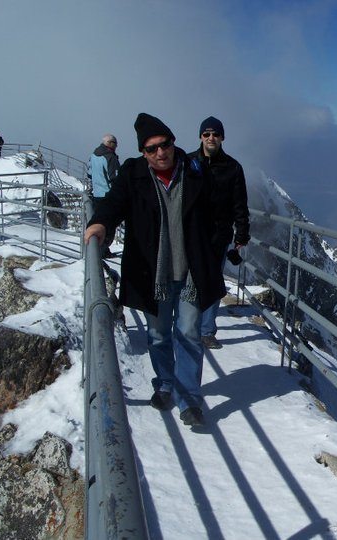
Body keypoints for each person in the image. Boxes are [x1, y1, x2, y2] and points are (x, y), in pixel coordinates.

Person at [84, 113, 227, 427]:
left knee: (188, 333)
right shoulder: (133, 174)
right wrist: (99, 223)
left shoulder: (195, 172)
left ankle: (189, 398)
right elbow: (114, 202)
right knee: (159, 335)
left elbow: (219, 215)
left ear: (174, 143)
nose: (160, 152)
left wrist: (212, 250)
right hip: (153, 274)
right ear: (143, 153)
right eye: (151, 149)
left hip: (191, 274)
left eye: (165, 144)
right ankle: (164, 383)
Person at [188, 115, 250, 349]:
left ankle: (206, 331)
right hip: (192, 234)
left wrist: (241, 235)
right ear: (201, 137)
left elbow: (239, 204)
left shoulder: (233, 167)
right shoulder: (188, 162)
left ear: (222, 137)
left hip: (218, 235)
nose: (211, 138)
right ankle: (188, 326)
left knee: (213, 283)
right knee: (189, 281)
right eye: (206, 134)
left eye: (215, 134)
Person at [87, 134, 120, 257]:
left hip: (96, 195)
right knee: (109, 225)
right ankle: (102, 251)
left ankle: (100, 250)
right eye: (115, 144)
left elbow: (89, 174)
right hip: (108, 196)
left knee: (99, 223)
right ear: (110, 143)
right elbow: (115, 178)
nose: (116, 146)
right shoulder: (110, 158)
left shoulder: (93, 155)